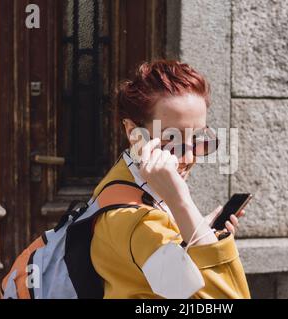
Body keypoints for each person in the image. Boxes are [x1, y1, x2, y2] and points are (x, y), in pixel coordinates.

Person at [90, 60, 251, 299]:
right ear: (133, 133)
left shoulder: (127, 178)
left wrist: (197, 229)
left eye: (199, 139)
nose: (187, 157)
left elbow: (168, 282)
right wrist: (181, 202)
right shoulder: (137, 223)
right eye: (170, 141)